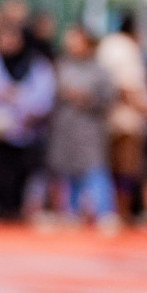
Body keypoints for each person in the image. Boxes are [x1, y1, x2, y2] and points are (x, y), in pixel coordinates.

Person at [0, 18, 55, 220]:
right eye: (3, 38)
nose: (8, 42)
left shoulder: (36, 63)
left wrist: (25, 103)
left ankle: (14, 211)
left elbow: (44, 96)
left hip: (26, 130)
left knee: (20, 175)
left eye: (12, 37)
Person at [47, 26, 118, 231]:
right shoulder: (61, 67)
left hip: (89, 129)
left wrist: (86, 99)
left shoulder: (99, 70)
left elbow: (109, 99)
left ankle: (104, 213)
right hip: (65, 128)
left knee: (95, 171)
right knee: (68, 173)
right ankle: (70, 212)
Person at [96, 15, 147, 221]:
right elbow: (125, 86)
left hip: (104, 118)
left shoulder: (106, 44)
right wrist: (146, 109)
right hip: (126, 120)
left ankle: (110, 213)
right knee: (125, 170)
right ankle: (121, 213)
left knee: (111, 169)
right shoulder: (126, 48)